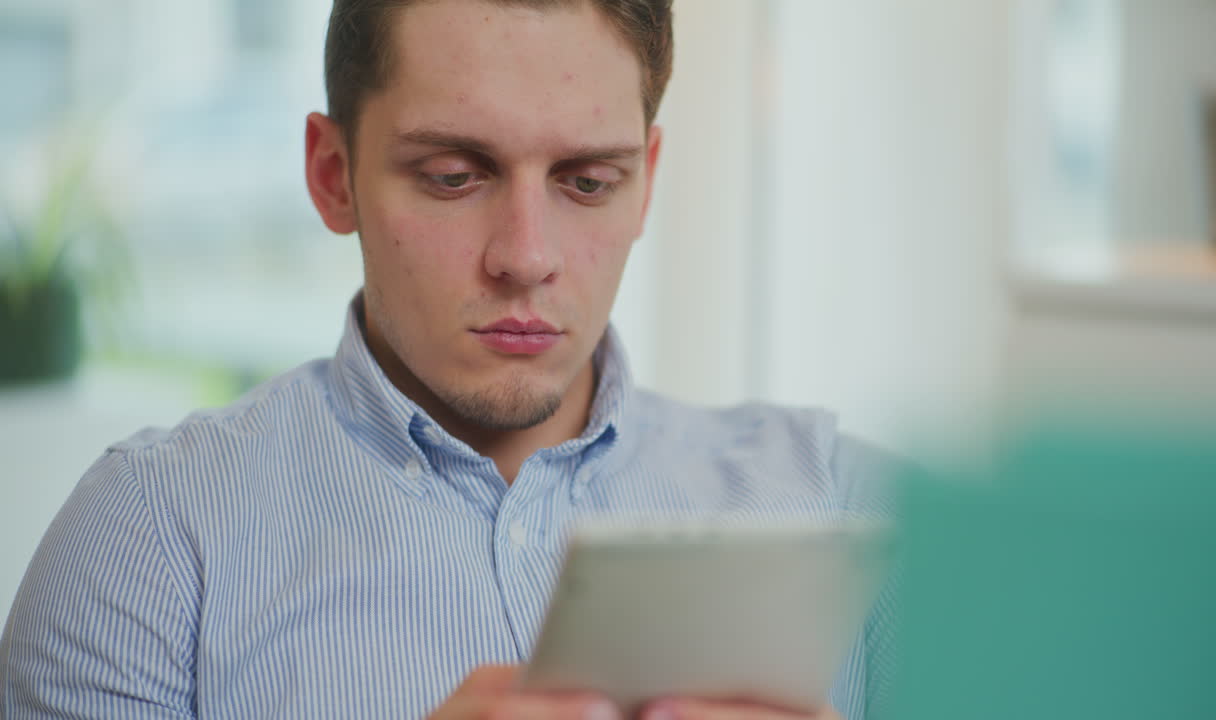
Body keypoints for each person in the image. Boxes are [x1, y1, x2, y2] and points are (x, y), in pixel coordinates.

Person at [0, 1, 898, 718]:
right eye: (454, 176)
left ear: (647, 181)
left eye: (588, 182)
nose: (525, 255)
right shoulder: (155, 540)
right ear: (332, 173)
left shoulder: (844, 502)